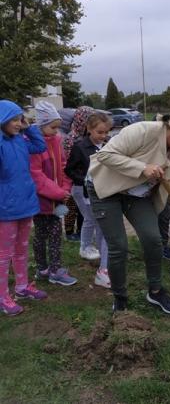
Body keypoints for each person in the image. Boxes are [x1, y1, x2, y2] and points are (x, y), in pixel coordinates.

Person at [88, 110, 170, 313]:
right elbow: (104, 154)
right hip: (105, 187)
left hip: (136, 194)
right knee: (119, 247)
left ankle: (156, 291)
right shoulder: (142, 131)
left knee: (153, 239)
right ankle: (120, 298)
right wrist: (142, 167)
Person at [0, 100, 47, 316]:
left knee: (21, 249)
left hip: (26, 204)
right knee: (3, 254)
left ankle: (22, 287)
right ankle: (2, 297)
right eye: (14, 119)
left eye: (20, 119)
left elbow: (40, 146)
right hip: (6, 208)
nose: (18, 124)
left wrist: (29, 127)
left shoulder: (20, 139)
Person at [31, 101, 78, 286]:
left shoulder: (57, 140)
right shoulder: (34, 146)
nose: (57, 131)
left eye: (59, 127)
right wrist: (58, 193)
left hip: (57, 199)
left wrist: (65, 189)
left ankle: (52, 269)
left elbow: (64, 165)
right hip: (41, 201)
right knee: (42, 235)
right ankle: (45, 269)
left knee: (55, 234)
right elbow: (36, 176)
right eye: (53, 127)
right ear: (41, 124)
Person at [65, 113, 112, 288]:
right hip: (82, 190)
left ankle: (96, 253)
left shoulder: (108, 145)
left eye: (106, 132)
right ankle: (86, 247)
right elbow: (69, 170)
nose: (103, 135)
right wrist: (85, 179)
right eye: (100, 132)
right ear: (89, 129)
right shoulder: (80, 147)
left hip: (102, 189)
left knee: (96, 221)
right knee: (94, 219)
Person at [63, 106, 96, 244]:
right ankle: (69, 232)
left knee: (84, 208)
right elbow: (67, 161)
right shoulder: (71, 138)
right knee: (71, 208)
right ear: (80, 120)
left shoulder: (86, 138)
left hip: (83, 178)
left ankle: (82, 231)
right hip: (71, 179)